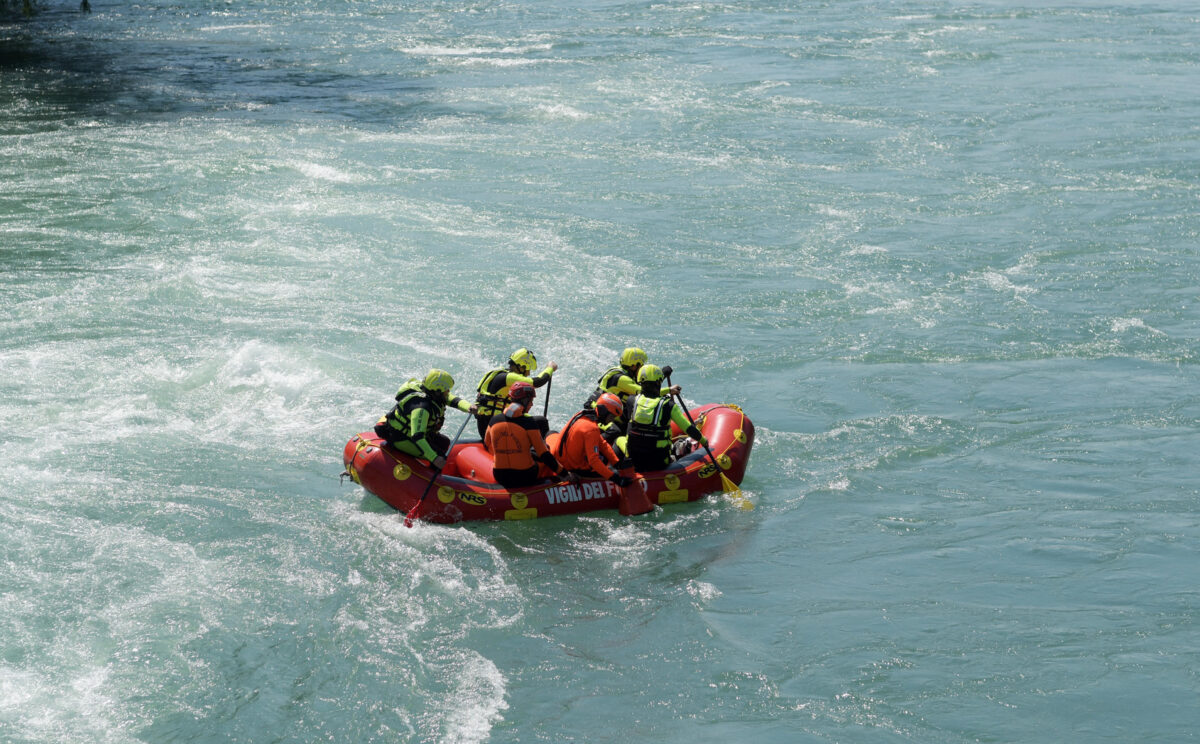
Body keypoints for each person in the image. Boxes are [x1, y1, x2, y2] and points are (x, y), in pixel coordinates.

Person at [375, 369, 475, 469]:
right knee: (439, 455)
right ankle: (430, 478)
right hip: (401, 437)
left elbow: (452, 399)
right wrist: (434, 458)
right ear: (438, 391)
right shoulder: (421, 408)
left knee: (444, 443)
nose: (448, 391)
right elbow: (417, 436)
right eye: (446, 389)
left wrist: (468, 407)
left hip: (413, 433)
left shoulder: (430, 391)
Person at [621, 364, 706, 472]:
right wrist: (704, 441)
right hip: (659, 462)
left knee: (619, 439)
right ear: (659, 382)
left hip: (635, 461)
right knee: (680, 444)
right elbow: (688, 428)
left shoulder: (631, 401)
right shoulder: (668, 405)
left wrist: (668, 390)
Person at [484, 381, 560, 489]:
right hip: (526, 476)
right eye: (531, 401)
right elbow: (543, 454)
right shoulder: (529, 423)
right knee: (546, 449)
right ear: (524, 401)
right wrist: (564, 473)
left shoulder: (494, 420)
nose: (532, 404)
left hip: (500, 476)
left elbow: (487, 445)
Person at [547, 393, 633, 487]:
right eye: (612, 417)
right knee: (604, 462)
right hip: (572, 467)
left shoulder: (583, 414)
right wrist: (616, 479)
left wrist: (616, 462)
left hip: (562, 459)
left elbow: (602, 443)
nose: (611, 421)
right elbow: (594, 461)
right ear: (605, 412)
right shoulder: (591, 429)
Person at [474, 348, 558, 438]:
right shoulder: (508, 377)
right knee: (541, 421)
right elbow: (537, 382)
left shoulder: (498, 374)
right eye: (528, 369)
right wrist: (550, 368)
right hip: (495, 428)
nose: (528, 373)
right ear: (521, 367)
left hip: (486, 426)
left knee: (526, 417)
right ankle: (537, 450)